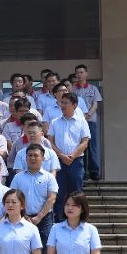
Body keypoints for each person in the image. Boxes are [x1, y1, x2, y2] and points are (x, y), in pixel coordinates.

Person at [10, 145, 58, 254]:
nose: (32, 158)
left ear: (43, 158)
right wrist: (23, 216)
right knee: (24, 252)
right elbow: (13, 198)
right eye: (29, 155)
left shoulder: (49, 177)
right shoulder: (18, 178)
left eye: (36, 155)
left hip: (44, 219)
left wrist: (39, 217)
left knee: (44, 253)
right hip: (22, 218)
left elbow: (51, 198)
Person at [47, 92, 90, 221]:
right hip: (59, 162)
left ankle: (79, 220)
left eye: (66, 103)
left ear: (74, 105)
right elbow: (50, 142)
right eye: (62, 102)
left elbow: (85, 142)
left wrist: (72, 156)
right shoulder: (55, 122)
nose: (63, 105)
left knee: (77, 193)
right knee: (60, 194)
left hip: (76, 162)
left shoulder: (81, 122)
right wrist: (61, 155)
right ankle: (60, 221)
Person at [72, 64, 103, 180]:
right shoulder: (73, 89)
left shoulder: (93, 88)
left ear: (86, 74)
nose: (79, 75)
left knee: (92, 146)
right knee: (81, 147)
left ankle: (94, 171)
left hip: (90, 121)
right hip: (77, 123)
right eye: (77, 73)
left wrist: (88, 114)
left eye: (81, 72)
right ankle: (83, 172)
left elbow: (95, 104)